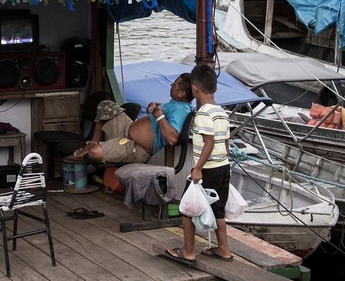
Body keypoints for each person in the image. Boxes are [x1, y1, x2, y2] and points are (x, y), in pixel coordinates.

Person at [165, 63, 233, 264]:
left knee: (186, 208)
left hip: (208, 170)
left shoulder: (202, 114)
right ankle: (224, 249)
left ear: (194, 89)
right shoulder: (221, 112)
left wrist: (197, 169)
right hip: (223, 168)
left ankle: (188, 250)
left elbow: (209, 144)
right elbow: (226, 144)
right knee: (218, 209)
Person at [73, 74, 193, 165]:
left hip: (134, 147)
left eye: (175, 85)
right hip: (127, 128)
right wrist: (155, 104)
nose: (171, 85)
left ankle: (97, 148)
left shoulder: (181, 111)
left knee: (94, 153)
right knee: (106, 105)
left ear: (182, 93)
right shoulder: (176, 104)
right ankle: (94, 142)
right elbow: (163, 112)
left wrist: (160, 116)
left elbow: (172, 139)